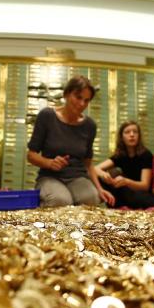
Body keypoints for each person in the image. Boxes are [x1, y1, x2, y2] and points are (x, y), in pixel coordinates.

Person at [27, 75, 114, 208]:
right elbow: (31, 155)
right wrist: (49, 163)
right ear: (66, 94)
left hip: (78, 177)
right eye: (78, 97)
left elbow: (88, 164)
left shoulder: (89, 125)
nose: (81, 104)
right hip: (50, 177)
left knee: (91, 199)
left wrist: (99, 189)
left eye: (86, 100)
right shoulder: (47, 116)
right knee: (60, 200)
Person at [96, 120, 154, 209]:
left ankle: (121, 206)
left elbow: (145, 186)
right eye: (127, 132)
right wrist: (104, 175)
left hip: (143, 195)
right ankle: (115, 207)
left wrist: (126, 181)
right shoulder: (121, 155)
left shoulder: (146, 155)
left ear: (139, 136)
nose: (132, 135)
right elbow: (95, 169)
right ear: (122, 137)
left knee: (133, 193)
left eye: (135, 132)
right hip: (127, 194)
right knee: (104, 177)